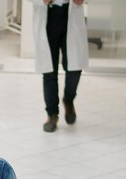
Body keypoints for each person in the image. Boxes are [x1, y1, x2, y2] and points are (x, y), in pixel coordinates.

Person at [32, 0, 89, 132]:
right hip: (48, 14)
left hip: (71, 12)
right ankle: (52, 114)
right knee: (49, 71)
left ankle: (68, 99)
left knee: (74, 70)